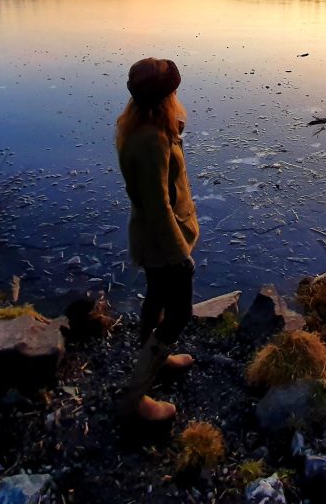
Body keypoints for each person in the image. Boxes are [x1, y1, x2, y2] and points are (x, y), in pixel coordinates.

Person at [115, 57, 199, 421]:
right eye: (173, 90)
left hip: (154, 240)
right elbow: (158, 206)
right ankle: (135, 398)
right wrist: (180, 256)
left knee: (156, 299)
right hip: (162, 243)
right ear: (165, 96)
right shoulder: (150, 140)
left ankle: (156, 359)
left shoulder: (148, 126)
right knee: (178, 313)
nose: (177, 94)